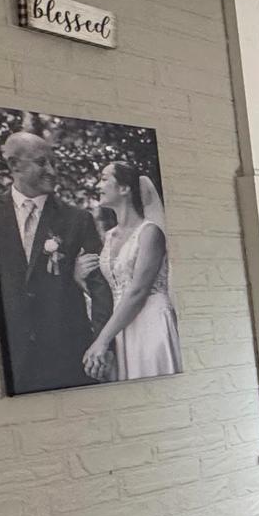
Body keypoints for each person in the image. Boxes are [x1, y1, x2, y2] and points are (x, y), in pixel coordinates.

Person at [0, 130, 108, 393]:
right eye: (42, 162)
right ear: (14, 165)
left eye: (54, 163)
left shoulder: (77, 220)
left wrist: (100, 343)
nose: (52, 170)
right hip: (9, 357)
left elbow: (101, 288)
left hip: (67, 353)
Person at [82, 160, 181, 382]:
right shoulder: (109, 237)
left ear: (125, 188)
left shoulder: (150, 233)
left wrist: (101, 341)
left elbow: (137, 292)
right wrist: (79, 279)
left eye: (104, 179)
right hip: (121, 327)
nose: (98, 185)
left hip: (151, 323)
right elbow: (110, 289)